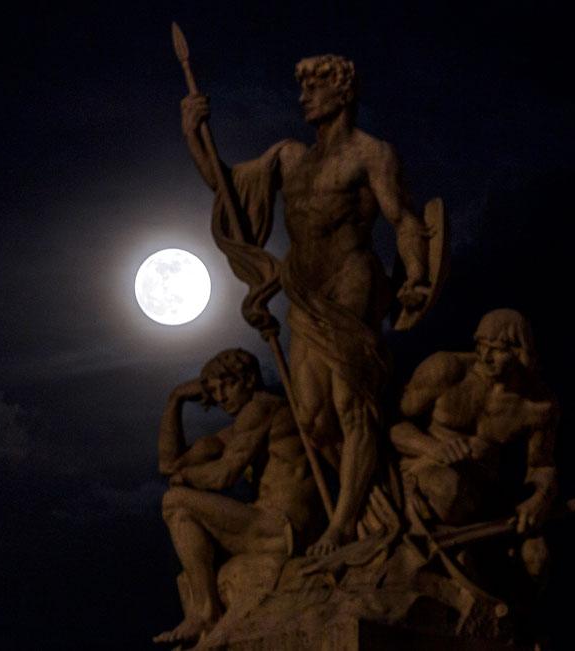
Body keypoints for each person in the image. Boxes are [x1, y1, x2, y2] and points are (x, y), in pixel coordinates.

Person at [181, 54, 432, 556]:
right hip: (304, 291)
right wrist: (193, 131)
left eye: (315, 87)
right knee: (315, 420)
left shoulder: (370, 154)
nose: (303, 97)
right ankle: (376, 506)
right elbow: (225, 186)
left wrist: (418, 274)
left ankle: (342, 523)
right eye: (303, 88)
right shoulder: (288, 157)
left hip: (351, 283)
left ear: (343, 94)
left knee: (350, 405)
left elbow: (403, 218)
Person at [154, 349, 321, 645]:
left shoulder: (263, 408)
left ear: (248, 379)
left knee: (175, 501)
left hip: (282, 525)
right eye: (214, 390)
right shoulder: (239, 428)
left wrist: (186, 478)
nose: (220, 396)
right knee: (179, 508)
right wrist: (175, 399)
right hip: (267, 525)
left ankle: (206, 613)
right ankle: (205, 610)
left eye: (226, 385)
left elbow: (223, 476)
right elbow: (169, 465)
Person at [389, 309, 558, 583]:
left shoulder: (537, 406)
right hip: (427, 471)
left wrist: (540, 499)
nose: (485, 357)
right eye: (481, 346)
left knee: (537, 559)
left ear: (519, 352)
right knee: (449, 489)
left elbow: (540, 466)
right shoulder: (446, 369)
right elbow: (393, 425)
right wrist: (432, 448)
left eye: (498, 350)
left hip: (484, 493)